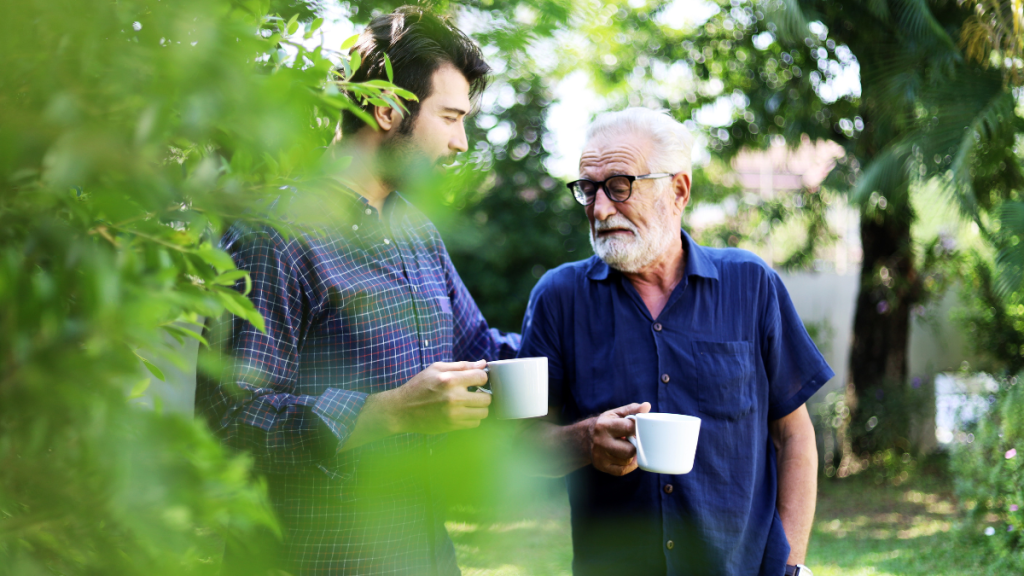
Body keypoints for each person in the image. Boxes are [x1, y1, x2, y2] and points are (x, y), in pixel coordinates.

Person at [195, 7, 518, 575]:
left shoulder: (416, 231)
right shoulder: (274, 235)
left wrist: (601, 326)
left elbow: (481, 350)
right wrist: (389, 412)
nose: (460, 143)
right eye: (449, 118)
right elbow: (229, 419)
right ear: (387, 108)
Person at [519, 108, 830, 576]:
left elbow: (794, 435)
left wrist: (792, 567)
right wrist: (585, 441)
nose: (600, 209)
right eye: (589, 188)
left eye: (620, 186)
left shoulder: (751, 284)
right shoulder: (558, 299)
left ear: (679, 189)